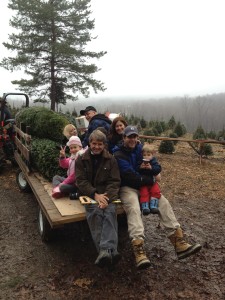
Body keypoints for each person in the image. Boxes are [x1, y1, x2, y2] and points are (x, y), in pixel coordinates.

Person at [113, 125, 202, 270]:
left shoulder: (142, 149)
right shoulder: (118, 154)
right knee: (134, 208)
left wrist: (154, 171)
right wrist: (152, 179)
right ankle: (139, 249)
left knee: (164, 202)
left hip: (146, 186)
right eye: (129, 136)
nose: (132, 139)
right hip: (128, 187)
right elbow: (130, 176)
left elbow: (154, 164)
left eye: (135, 136)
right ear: (124, 138)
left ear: (138, 137)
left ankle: (178, 242)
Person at [75, 130, 121, 268]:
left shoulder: (111, 159)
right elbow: (81, 181)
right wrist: (95, 195)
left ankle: (104, 251)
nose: (96, 147)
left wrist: (105, 198)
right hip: (88, 194)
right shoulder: (81, 159)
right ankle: (110, 250)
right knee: (94, 213)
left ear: (104, 145)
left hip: (107, 195)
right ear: (89, 143)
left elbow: (115, 181)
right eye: (94, 143)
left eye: (100, 144)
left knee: (110, 212)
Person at [139, 143, 162, 215]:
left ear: (152, 155)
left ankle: (153, 206)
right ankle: (145, 207)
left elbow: (158, 169)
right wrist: (140, 167)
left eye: (148, 155)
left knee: (156, 191)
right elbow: (136, 169)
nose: (146, 157)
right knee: (144, 193)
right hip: (144, 183)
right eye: (144, 155)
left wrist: (151, 168)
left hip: (153, 182)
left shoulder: (154, 162)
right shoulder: (140, 161)